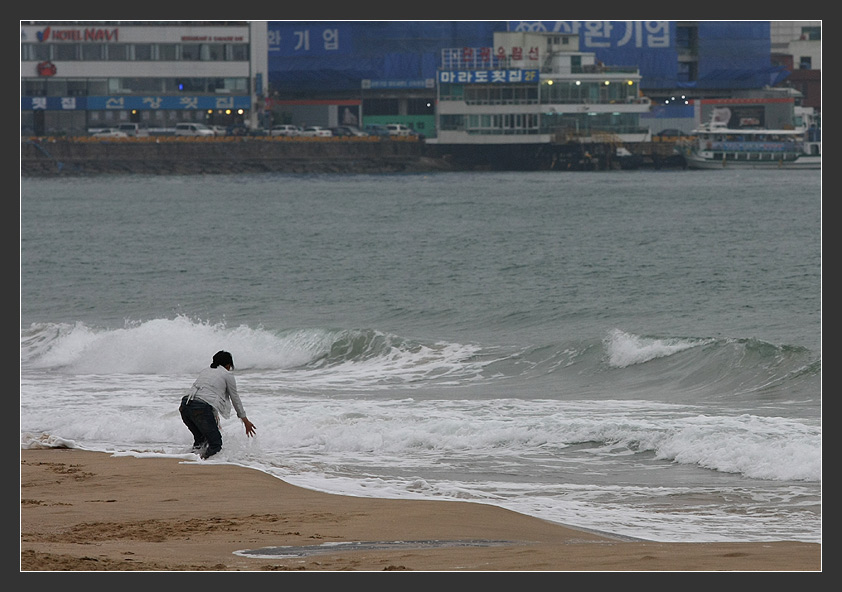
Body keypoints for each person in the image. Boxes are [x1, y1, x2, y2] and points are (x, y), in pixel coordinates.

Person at [180, 350, 256, 459]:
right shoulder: (227, 375)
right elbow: (235, 398)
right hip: (201, 408)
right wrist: (245, 421)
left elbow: (207, 395)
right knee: (216, 444)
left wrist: (213, 417)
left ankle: (193, 459)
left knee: (201, 440)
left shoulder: (206, 371)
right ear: (228, 364)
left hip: (185, 406)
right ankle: (202, 464)